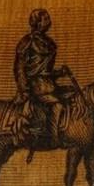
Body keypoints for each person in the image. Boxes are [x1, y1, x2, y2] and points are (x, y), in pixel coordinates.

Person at [12, 8, 80, 146]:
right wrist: (24, 90)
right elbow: (19, 69)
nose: (49, 21)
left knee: (74, 94)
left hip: (49, 85)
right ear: (37, 23)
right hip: (35, 87)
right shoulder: (27, 42)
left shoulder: (49, 43)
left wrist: (60, 72)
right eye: (46, 19)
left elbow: (46, 72)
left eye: (49, 18)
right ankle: (53, 139)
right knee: (57, 106)